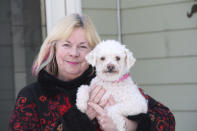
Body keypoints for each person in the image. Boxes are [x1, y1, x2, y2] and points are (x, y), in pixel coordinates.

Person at [9, 13, 175, 131]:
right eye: (66, 45)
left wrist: (125, 125)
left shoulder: (111, 83)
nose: (74, 53)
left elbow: (167, 120)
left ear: (94, 54)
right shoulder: (31, 96)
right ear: (53, 48)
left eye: (83, 47)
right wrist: (80, 118)